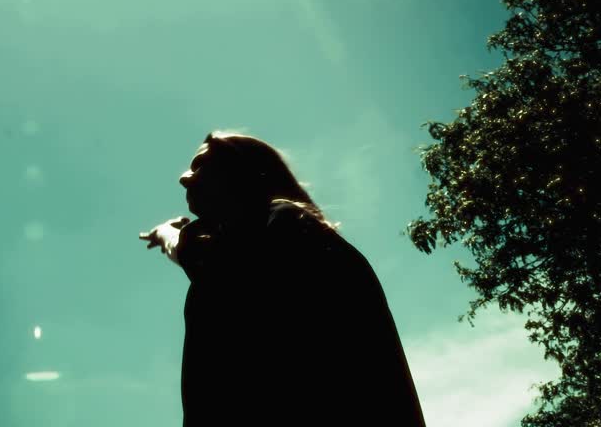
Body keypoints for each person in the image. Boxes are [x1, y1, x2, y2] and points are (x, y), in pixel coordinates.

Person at [138, 131, 427, 426]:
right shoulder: (282, 234)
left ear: (241, 170)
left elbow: (222, 268)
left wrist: (171, 237)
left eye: (200, 164)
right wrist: (170, 239)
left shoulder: (286, 229)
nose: (184, 178)